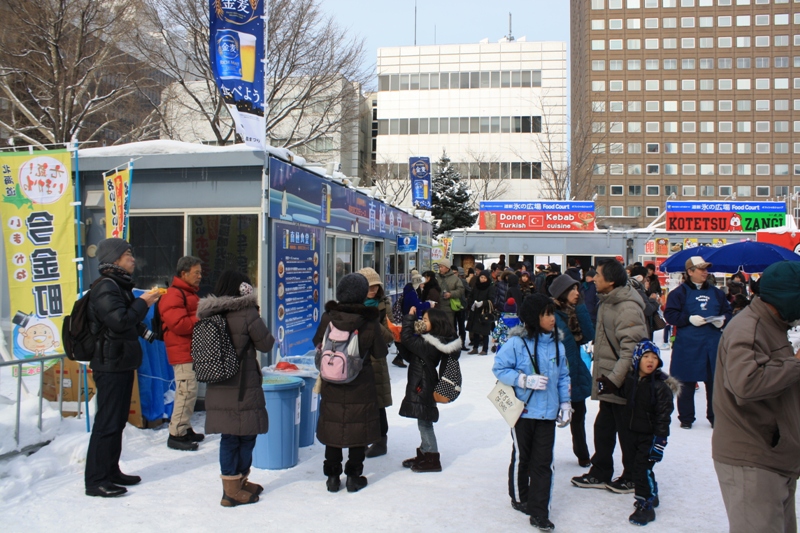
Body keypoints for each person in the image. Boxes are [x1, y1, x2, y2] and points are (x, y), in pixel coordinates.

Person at [713, 261, 800, 533]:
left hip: (775, 457)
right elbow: (745, 383)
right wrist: (796, 364)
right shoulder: (748, 327)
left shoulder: (773, 325)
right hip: (752, 459)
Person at [84, 238, 161, 498]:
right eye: (128, 255)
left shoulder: (120, 286)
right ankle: (96, 480)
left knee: (117, 421)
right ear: (114, 259)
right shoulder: (105, 287)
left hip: (121, 362)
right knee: (107, 422)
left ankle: (111, 470)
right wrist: (145, 302)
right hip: (110, 363)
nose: (133, 259)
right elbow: (119, 320)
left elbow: (129, 321)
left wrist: (151, 334)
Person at [492, 294, 571, 531]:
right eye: (546, 314)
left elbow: (563, 376)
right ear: (533, 318)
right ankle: (519, 496)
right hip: (523, 413)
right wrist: (523, 379)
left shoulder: (558, 345)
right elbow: (499, 368)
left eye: (552, 313)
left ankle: (540, 512)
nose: (551, 318)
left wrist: (565, 404)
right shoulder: (517, 344)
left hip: (547, 414)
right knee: (523, 456)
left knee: (543, 463)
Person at [198, 271, 275, 507]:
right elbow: (266, 343)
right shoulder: (247, 313)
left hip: (219, 383)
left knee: (230, 436)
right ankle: (232, 490)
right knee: (245, 434)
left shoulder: (210, 313)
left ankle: (236, 483)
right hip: (243, 383)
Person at [571, 258, 648, 495]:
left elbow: (632, 350)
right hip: (609, 379)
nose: (593, 279)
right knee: (604, 427)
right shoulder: (609, 301)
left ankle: (632, 476)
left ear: (611, 280)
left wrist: (614, 379)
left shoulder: (627, 307)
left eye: (599, 275)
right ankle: (601, 471)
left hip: (621, 382)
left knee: (626, 429)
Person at [313, 273, 388, 493]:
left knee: (334, 428)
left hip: (331, 382)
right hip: (360, 384)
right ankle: (354, 477)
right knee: (358, 430)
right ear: (362, 294)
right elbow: (380, 352)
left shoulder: (329, 317)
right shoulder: (368, 321)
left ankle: (333, 477)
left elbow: (317, 341)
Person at [664, 256, 732, 429]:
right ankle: (686, 418)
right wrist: (688, 318)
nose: (705, 272)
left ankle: (715, 417)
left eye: (706, 269)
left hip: (712, 344)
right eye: (701, 269)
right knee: (685, 382)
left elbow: (728, 312)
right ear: (690, 272)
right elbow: (669, 315)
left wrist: (722, 320)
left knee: (714, 383)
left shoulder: (717, 293)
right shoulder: (677, 294)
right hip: (687, 345)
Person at [618, 341, 678, 526]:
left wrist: (660, 441)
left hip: (650, 436)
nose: (650, 361)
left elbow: (663, 417)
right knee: (639, 467)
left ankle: (646, 505)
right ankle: (652, 494)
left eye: (654, 357)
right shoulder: (632, 380)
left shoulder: (660, 387)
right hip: (633, 433)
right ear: (637, 360)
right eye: (646, 357)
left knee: (641, 470)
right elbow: (625, 396)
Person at [399, 307, 461, 473]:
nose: (422, 322)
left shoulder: (431, 343)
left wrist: (409, 318)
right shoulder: (430, 339)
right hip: (423, 381)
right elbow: (410, 351)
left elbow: (406, 338)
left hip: (423, 384)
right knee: (422, 419)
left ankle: (432, 457)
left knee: (425, 422)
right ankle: (424, 453)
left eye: (425, 320)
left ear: (435, 324)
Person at [548, 274, 595, 468]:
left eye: (578, 289)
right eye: (573, 290)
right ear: (562, 293)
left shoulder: (575, 312)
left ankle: (582, 454)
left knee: (579, 416)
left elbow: (589, 335)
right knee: (548, 417)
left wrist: (581, 307)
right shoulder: (550, 314)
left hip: (575, 370)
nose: (577, 293)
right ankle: (544, 455)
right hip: (555, 372)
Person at [158, 256, 204, 452]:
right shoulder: (174, 295)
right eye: (196, 273)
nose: (200, 277)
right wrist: (202, 317)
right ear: (184, 274)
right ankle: (176, 433)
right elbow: (179, 324)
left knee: (190, 392)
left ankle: (185, 427)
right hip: (182, 352)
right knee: (186, 392)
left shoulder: (187, 293)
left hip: (190, 350)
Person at [357, 267, 395, 459]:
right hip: (355, 359)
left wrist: (371, 319)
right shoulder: (351, 304)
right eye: (369, 287)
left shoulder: (383, 305)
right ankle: (361, 440)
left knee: (378, 402)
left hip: (376, 359)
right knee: (360, 402)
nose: (373, 290)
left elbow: (391, 335)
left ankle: (381, 440)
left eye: (376, 287)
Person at [467, 272, 496, 355]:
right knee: (475, 330)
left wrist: (483, 303)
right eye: (481, 277)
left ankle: (485, 349)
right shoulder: (476, 286)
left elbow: (491, 299)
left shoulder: (490, 287)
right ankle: (475, 348)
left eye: (484, 278)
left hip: (485, 312)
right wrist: (472, 303)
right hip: (475, 311)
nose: (482, 279)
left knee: (485, 331)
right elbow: (471, 296)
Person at [435, 258, 464, 333]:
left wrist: (451, 294)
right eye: (439, 267)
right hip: (437, 307)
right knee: (437, 327)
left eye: (442, 267)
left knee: (448, 327)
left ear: (447, 268)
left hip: (449, 308)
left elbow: (461, 291)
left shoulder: (455, 279)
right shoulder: (436, 277)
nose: (440, 269)